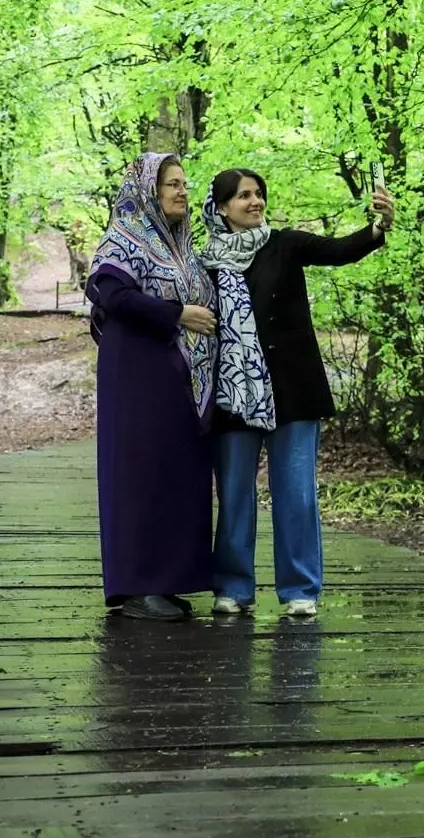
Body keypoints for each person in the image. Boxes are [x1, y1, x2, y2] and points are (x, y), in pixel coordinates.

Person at [200, 168, 394, 618]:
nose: (255, 202)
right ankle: (233, 587)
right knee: (233, 493)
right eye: (244, 195)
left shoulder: (285, 244)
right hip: (235, 395)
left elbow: (342, 250)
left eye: (259, 194)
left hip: (294, 389)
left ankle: (300, 589)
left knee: (298, 494)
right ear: (222, 206)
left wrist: (378, 226)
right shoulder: (205, 262)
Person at [85, 152, 219, 621]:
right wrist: (177, 314)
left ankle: (168, 580)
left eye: (184, 183)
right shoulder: (124, 239)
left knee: (175, 472)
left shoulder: (183, 247)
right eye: (172, 184)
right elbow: (111, 294)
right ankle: (138, 585)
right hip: (137, 373)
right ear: (148, 192)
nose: (182, 191)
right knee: (140, 474)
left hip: (176, 377)